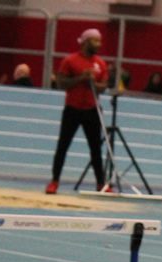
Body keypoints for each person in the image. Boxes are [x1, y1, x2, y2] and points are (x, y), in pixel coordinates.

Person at [45, 29, 109, 195]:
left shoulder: (101, 64)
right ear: (85, 42)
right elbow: (61, 83)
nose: (99, 45)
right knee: (63, 146)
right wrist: (81, 78)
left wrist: (93, 83)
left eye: (100, 41)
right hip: (72, 109)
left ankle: (101, 183)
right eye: (95, 41)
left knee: (95, 148)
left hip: (92, 109)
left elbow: (103, 87)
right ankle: (54, 181)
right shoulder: (70, 60)